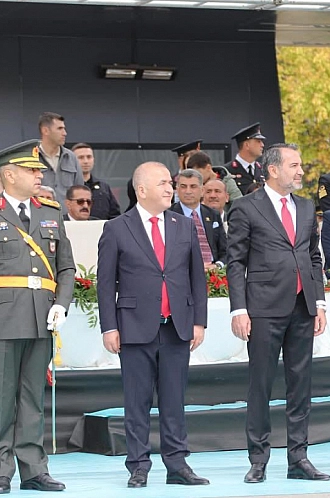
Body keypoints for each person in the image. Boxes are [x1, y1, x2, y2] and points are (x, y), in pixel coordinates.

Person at [97, 162, 209, 488]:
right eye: (162, 183)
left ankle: (177, 464)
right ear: (141, 189)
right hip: (133, 327)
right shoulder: (117, 228)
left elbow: (196, 279)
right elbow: (106, 284)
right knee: (137, 401)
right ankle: (138, 466)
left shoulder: (183, 225)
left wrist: (198, 321)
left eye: (169, 183)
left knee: (174, 400)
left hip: (176, 326)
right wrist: (109, 327)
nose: (170, 188)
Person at [226, 143, 330, 484]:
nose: (301, 171)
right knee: (261, 385)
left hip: (302, 306)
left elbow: (313, 257)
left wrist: (319, 302)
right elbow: (235, 261)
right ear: (273, 170)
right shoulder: (245, 207)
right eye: (295, 165)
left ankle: (298, 457)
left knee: (301, 385)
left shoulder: (305, 207)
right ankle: (258, 459)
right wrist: (239, 309)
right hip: (262, 309)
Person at [0, 140, 74, 494]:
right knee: (1, 400)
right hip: (0, 322)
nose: (39, 175)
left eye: (39, 170)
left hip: (40, 319)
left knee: (32, 398)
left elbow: (66, 267)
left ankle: (33, 469)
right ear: (8, 174)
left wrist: (61, 304)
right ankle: (0, 470)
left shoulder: (51, 211)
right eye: (32, 170)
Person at [170, 169, 228, 270]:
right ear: (177, 190)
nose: (188, 191)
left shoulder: (213, 214)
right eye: (183, 186)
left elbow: (225, 250)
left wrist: (217, 266)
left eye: (193, 186)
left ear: (202, 191)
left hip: (214, 274)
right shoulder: (168, 215)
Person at [37, 112, 84, 202]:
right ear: (45, 131)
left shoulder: (71, 158)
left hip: (65, 215)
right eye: (60, 129)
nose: (65, 133)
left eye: (64, 129)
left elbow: (80, 191)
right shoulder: (31, 157)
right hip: (39, 214)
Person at [72, 143, 121, 220]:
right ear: (72, 160)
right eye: (81, 157)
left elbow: (115, 216)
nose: (86, 161)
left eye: (89, 157)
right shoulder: (67, 187)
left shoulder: (104, 188)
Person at [226, 123, 267, 194]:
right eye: (258, 141)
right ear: (247, 145)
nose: (262, 145)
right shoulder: (227, 171)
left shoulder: (264, 170)